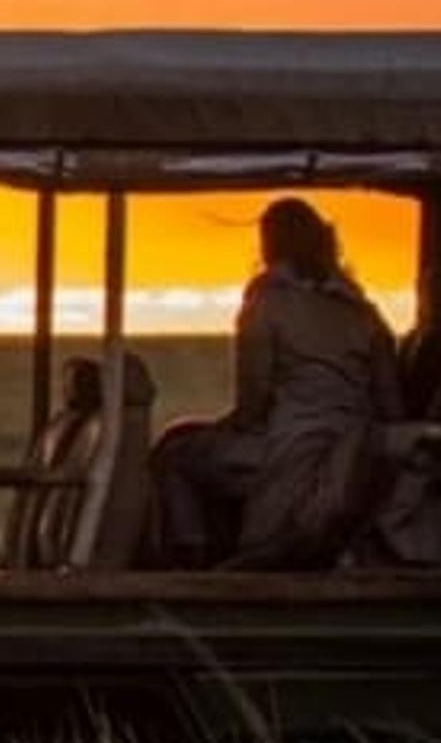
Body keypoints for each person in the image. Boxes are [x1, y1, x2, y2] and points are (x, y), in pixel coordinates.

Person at [148, 198, 402, 568]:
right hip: (349, 456)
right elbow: (391, 404)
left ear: (270, 244)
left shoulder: (266, 306)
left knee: (174, 455)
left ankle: (192, 558)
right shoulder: (364, 314)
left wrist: (227, 427)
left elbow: (254, 402)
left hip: (291, 448)